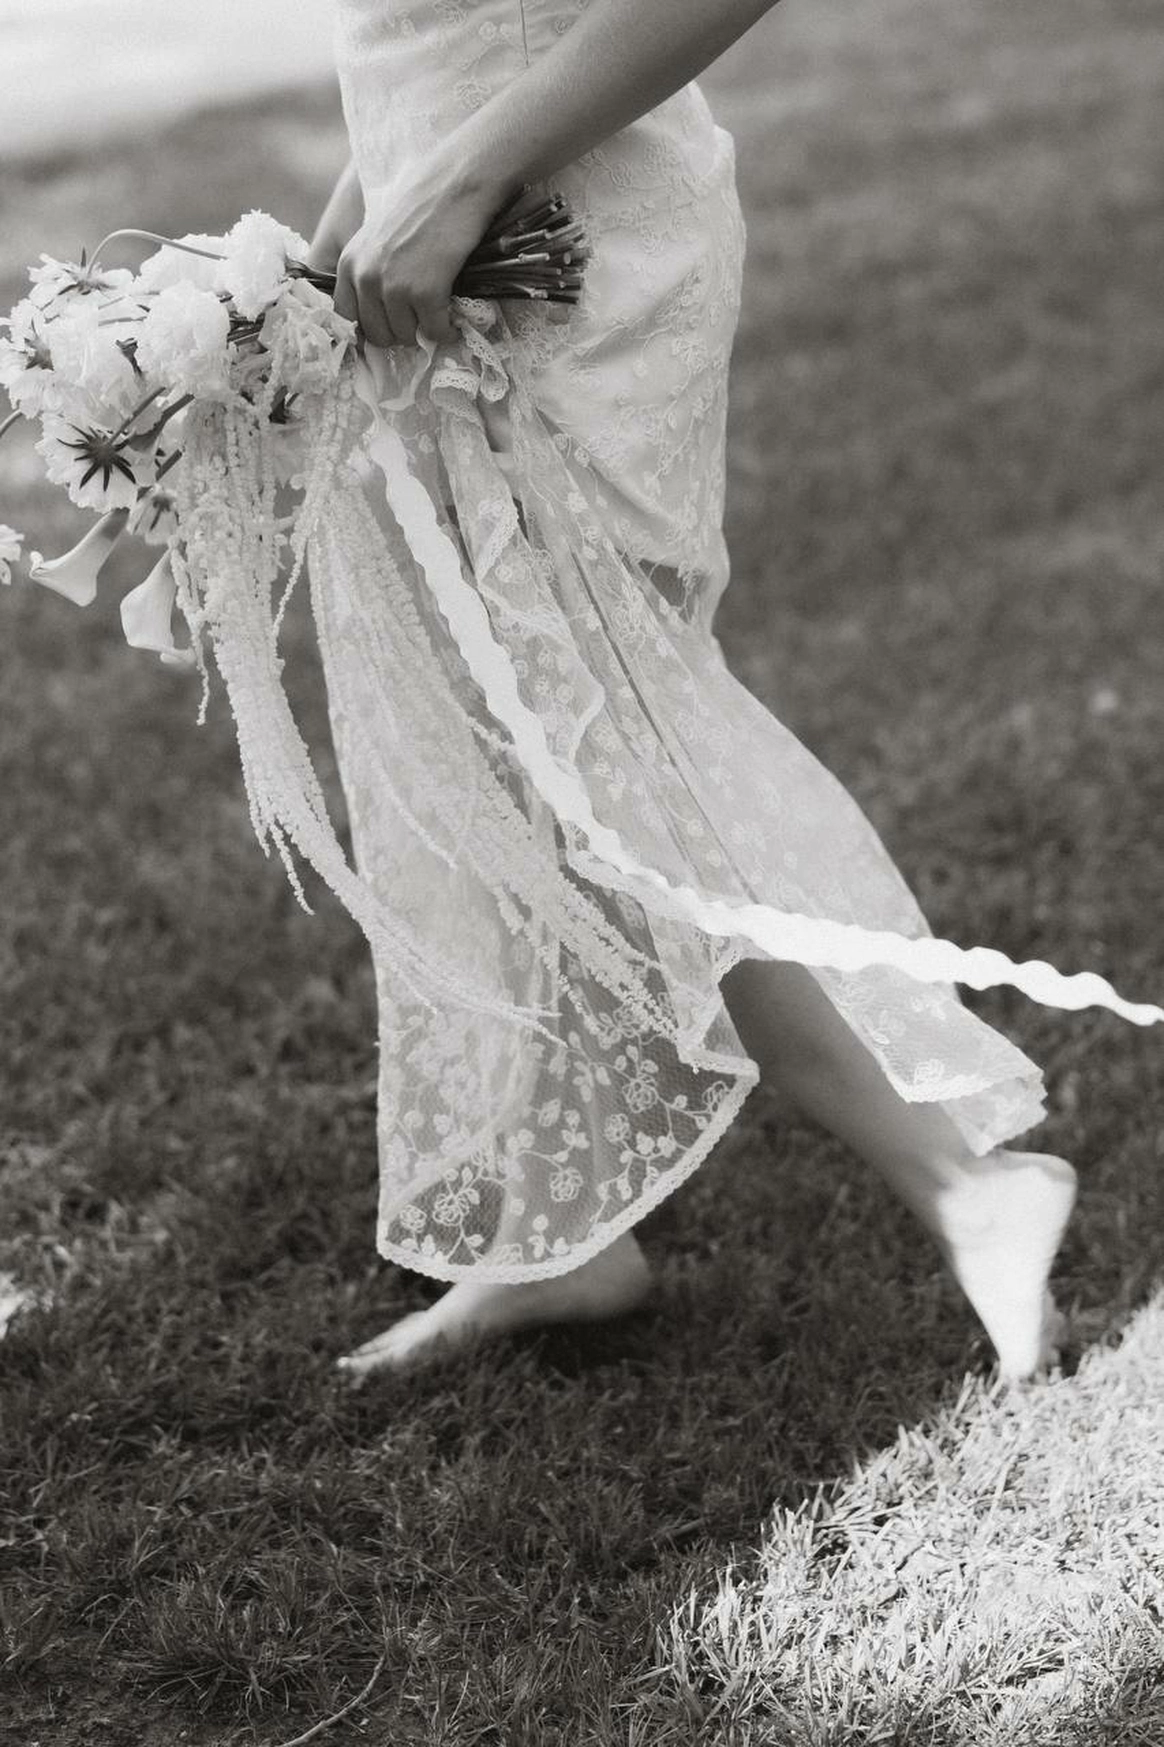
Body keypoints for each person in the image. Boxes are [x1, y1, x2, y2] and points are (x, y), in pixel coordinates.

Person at [299, 0, 1135, 1386]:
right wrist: (344, 227)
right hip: (449, 244)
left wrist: (451, 182)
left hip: (548, 251)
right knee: (509, 749)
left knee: (604, 752)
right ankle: (554, 1242)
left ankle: (964, 1180)